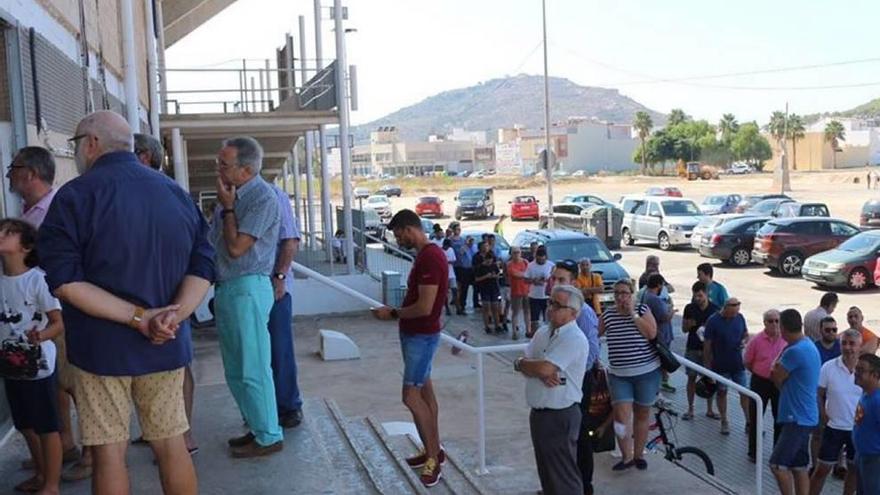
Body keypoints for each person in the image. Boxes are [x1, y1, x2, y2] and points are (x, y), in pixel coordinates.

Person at [39, 110, 214, 494]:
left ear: (90, 144)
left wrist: (140, 319)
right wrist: (171, 318)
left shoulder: (74, 197)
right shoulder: (174, 193)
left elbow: (66, 283)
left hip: (101, 352)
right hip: (165, 348)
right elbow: (204, 264)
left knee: (108, 453)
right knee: (171, 444)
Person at [211, 136, 284, 458]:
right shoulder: (233, 195)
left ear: (246, 169)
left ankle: (269, 435)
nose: (218, 169)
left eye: (224, 164)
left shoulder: (262, 199)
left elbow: (237, 247)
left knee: (253, 367)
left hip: (247, 286)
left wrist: (227, 209)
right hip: (230, 287)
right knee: (236, 368)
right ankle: (257, 426)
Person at [128, 134, 200, 459]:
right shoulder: (172, 194)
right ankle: (171, 436)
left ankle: (181, 437)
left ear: (143, 157)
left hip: (166, 301)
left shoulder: (164, 195)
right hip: (170, 301)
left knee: (177, 368)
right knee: (175, 368)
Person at [372, 209, 448, 487]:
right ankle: (434, 450)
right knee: (425, 396)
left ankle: (432, 458)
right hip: (419, 336)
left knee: (411, 397)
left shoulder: (429, 257)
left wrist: (392, 313)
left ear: (408, 229)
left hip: (420, 337)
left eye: (397, 234)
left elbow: (425, 307)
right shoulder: (428, 255)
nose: (397, 239)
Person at [0, 219, 64, 494]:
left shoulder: (38, 280)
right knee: (25, 425)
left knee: (47, 427)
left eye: (9, 233)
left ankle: (51, 484)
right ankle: (41, 474)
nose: (1, 235)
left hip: (39, 366)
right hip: (10, 364)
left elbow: (58, 322)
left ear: (25, 247)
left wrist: (42, 336)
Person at [515, 285, 588, 495]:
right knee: (547, 473)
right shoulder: (543, 332)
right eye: (550, 302)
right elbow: (526, 362)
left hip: (560, 415)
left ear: (573, 313)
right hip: (539, 413)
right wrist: (526, 365)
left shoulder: (574, 338)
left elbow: (544, 368)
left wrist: (537, 367)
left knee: (563, 477)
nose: (550, 308)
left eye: (557, 305)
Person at [599, 279, 660, 472]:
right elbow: (594, 334)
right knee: (620, 416)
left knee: (642, 414)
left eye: (624, 293)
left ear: (632, 294)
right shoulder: (608, 314)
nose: (620, 297)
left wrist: (633, 314)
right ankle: (626, 456)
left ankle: (638, 454)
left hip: (646, 373)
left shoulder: (642, 310)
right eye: (616, 293)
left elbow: (651, 333)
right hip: (619, 375)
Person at [550, 260, 600, 494]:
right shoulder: (555, 308)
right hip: (559, 381)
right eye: (554, 279)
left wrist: (572, 375)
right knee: (559, 437)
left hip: (578, 382)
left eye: (561, 280)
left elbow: (591, 351)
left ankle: (584, 486)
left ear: (573, 282)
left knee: (579, 436)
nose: (556, 284)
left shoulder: (585, 313)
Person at [770, 309, 821, 495]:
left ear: (783, 328)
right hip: (806, 415)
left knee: (777, 464)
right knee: (799, 466)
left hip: (796, 417)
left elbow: (776, 376)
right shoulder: (808, 345)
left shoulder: (794, 352)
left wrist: (777, 374)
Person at [809, 329, 862, 495]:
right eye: (844, 343)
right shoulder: (829, 367)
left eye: (852, 344)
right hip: (834, 428)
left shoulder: (865, 369)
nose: (847, 347)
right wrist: (822, 414)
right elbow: (819, 392)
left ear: (860, 346)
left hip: (857, 429)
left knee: (853, 471)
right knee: (821, 470)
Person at [268, 184, 304, 429]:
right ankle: (264, 409)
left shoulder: (273, 195)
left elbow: (290, 240)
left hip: (273, 290)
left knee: (279, 350)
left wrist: (279, 277)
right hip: (244, 290)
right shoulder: (227, 198)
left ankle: (289, 406)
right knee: (253, 354)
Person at [744, 309, 786, 462]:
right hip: (760, 381)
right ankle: (753, 452)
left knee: (779, 418)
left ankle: (778, 452)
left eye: (777, 320)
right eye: (770, 321)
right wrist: (759, 372)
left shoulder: (785, 340)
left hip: (779, 383)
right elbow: (747, 361)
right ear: (764, 323)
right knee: (756, 417)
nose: (774, 324)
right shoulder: (756, 340)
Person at [703, 297, 749, 436]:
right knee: (722, 393)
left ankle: (749, 422)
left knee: (745, 393)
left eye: (736, 312)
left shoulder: (740, 318)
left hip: (737, 364)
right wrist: (707, 369)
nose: (734, 315)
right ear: (725, 308)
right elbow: (707, 346)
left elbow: (745, 334)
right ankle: (724, 420)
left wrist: (744, 341)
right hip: (720, 365)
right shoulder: (713, 321)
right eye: (732, 313)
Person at [681, 281, 720, 421]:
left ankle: (710, 409)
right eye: (695, 296)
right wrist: (688, 324)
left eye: (700, 296)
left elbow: (718, 333)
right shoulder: (689, 308)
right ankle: (690, 409)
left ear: (706, 294)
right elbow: (684, 329)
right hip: (692, 348)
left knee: (709, 379)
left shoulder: (715, 310)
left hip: (708, 351)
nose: (697, 299)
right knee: (691, 378)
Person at [7, 147, 58, 228]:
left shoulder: (60, 210)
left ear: (31, 174)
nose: (8, 175)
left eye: (13, 168)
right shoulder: (25, 207)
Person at [642, 273, 675, 393]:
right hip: (661, 335)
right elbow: (664, 317)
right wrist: (671, 311)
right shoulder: (654, 299)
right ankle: (662, 383)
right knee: (663, 360)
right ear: (658, 284)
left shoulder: (646, 295)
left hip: (657, 333)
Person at [853, 354, 880, 495]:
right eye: (856, 368)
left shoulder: (877, 400)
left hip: (874, 459)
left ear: (875, 375)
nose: (856, 372)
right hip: (862, 455)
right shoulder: (866, 393)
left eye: (861, 370)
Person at [525, 246, 554, 337]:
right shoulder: (531, 265)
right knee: (534, 319)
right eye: (539, 258)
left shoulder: (551, 265)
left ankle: (549, 335)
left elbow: (553, 278)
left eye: (543, 258)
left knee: (548, 318)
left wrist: (546, 281)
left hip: (547, 296)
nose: (541, 260)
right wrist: (534, 281)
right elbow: (525, 279)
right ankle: (535, 336)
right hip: (534, 295)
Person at [474, 251, 504, 334]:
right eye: (488, 260)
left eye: (490, 260)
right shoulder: (480, 267)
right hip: (485, 289)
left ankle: (497, 325)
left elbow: (499, 274)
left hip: (494, 288)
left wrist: (495, 276)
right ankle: (487, 326)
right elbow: (477, 279)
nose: (489, 262)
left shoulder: (494, 266)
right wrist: (486, 276)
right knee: (486, 307)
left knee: (495, 306)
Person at [507, 247, 530, 340]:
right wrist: (524, 274)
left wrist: (523, 274)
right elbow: (515, 274)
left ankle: (528, 330)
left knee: (527, 311)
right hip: (516, 291)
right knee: (515, 312)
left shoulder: (525, 262)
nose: (516, 254)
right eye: (514, 253)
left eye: (518, 252)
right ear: (511, 254)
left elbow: (529, 274)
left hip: (526, 290)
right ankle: (514, 331)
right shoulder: (510, 264)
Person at [441, 239, 458, 317]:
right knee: (445, 292)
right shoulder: (440, 251)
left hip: (451, 274)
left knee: (454, 290)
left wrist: (447, 261)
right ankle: (447, 308)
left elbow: (454, 260)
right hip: (444, 274)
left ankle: (458, 307)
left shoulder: (451, 250)